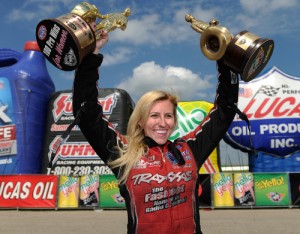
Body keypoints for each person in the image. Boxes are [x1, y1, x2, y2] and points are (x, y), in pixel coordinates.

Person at [72, 30, 239, 234]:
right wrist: (92, 54)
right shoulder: (125, 154)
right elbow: (86, 112)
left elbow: (225, 110)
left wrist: (226, 59)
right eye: (154, 116)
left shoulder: (189, 151)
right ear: (140, 121)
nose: (162, 123)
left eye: (168, 116)